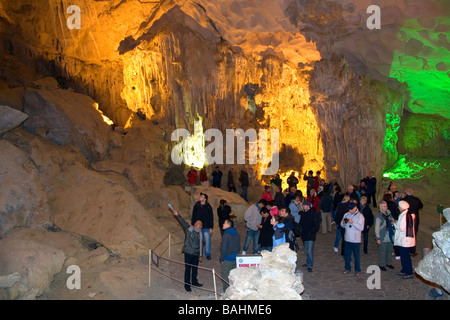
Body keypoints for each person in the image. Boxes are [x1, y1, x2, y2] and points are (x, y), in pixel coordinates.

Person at [171, 209, 204, 292]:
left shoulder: (201, 234)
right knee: (188, 269)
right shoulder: (189, 229)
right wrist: (177, 215)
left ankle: (194, 281)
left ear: (201, 227)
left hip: (195, 254)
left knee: (195, 269)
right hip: (188, 253)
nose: (196, 224)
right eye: (196, 223)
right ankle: (187, 284)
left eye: (198, 224)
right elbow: (183, 222)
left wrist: (200, 255)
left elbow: (201, 246)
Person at [341, 202, 365, 276]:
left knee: (356, 255)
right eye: (349, 209)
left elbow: (361, 228)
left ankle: (357, 269)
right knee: (347, 254)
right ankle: (347, 268)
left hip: (355, 239)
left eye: (351, 209)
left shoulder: (360, 216)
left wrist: (353, 223)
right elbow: (342, 225)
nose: (350, 210)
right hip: (347, 238)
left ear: (355, 208)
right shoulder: (346, 214)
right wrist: (343, 222)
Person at [394, 200, 416, 279]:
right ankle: (404, 270)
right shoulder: (409, 214)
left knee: (405, 256)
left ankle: (409, 271)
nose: (398, 208)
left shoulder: (404, 216)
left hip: (404, 240)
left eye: (399, 207)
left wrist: (395, 224)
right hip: (406, 239)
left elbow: (402, 228)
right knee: (404, 256)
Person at [191, 193, 214, 260]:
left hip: (206, 226)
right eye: (200, 196)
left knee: (207, 240)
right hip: (197, 226)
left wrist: (210, 227)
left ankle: (208, 254)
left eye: (202, 196)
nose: (200, 197)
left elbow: (211, 217)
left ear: (205, 199)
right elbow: (193, 215)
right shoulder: (197, 205)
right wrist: (193, 224)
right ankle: (197, 253)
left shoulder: (208, 206)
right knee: (197, 240)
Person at [220, 219, 240, 292]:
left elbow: (224, 248)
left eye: (224, 223)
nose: (223, 224)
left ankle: (226, 291)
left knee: (225, 275)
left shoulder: (226, 235)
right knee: (233, 274)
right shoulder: (237, 233)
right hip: (235, 257)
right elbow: (238, 247)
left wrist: (222, 258)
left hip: (228, 258)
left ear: (228, 225)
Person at [299, 200, 320, 272]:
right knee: (306, 249)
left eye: (304, 205)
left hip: (311, 235)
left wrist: (312, 232)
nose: (303, 206)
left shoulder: (313, 214)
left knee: (309, 250)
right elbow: (301, 223)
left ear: (308, 206)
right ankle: (308, 262)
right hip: (304, 234)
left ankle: (310, 264)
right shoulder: (303, 214)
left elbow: (316, 225)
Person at [374, 200, 395, 271]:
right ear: (380, 207)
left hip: (389, 235)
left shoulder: (388, 214)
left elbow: (392, 220)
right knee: (382, 251)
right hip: (382, 236)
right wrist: (378, 238)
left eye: (386, 206)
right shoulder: (378, 216)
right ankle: (381, 264)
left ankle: (388, 262)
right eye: (384, 206)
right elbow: (376, 228)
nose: (386, 207)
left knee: (389, 250)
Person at [403, 188, 423, 256]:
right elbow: (421, 206)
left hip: (406, 219)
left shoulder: (404, 200)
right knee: (414, 234)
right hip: (415, 219)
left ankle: (406, 248)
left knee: (407, 234)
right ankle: (412, 250)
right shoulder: (416, 200)